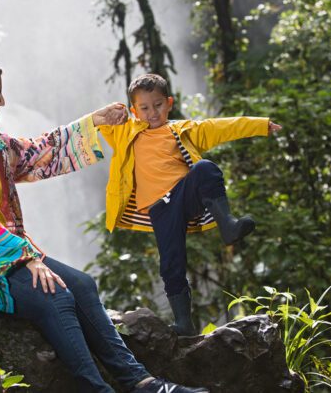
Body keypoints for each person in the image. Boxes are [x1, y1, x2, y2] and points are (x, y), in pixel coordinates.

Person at [0, 54, 208, 393]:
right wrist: (26, 257)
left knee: (82, 285)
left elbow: (35, 154)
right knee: (56, 296)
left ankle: (140, 381)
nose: (2, 102)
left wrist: (96, 122)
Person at [98, 73, 282, 336]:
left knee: (206, 168)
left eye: (158, 105)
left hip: (183, 195)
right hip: (158, 209)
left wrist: (261, 125)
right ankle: (184, 322)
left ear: (169, 103)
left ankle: (228, 225)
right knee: (171, 263)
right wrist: (112, 113)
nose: (152, 113)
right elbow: (100, 124)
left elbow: (222, 127)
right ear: (134, 111)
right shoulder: (126, 134)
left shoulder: (182, 130)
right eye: (145, 108)